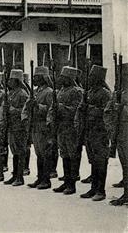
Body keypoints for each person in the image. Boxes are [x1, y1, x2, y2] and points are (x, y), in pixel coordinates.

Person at [76, 65, 111, 201]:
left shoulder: (105, 93)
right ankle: (94, 187)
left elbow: (106, 112)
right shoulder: (89, 92)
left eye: (91, 76)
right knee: (93, 160)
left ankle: (101, 191)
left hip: (100, 131)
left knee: (101, 161)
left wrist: (89, 108)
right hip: (90, 130)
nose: (89, 79)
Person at [47, 66, 83, 195]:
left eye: (63, 77)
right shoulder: (60, 91)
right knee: (64, 155)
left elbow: (77, 109)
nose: (61, 79)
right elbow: (52, 107)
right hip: (60, 126)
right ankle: (66, 181)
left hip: (71, 127)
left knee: (72, 155)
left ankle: (71, 184)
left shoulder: (77, 91)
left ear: (70, 79)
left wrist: (62, 108)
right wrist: (51, 118)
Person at [22, 66, 54, 189]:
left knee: (45, 153)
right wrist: (25, 118)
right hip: (34, 125)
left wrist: (38, 106)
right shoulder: (35, 92)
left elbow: (51, 109)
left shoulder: (49, 92)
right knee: (39, 153)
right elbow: (26, 107)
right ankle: (40, 177)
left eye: (36, 77)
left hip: (43, 125)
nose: (34, 79)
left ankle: (46, 179)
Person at [0, 69, 29, 186]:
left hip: (19, 127)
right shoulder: (11, 93)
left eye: (11, 80)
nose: (9, 82)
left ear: (17, 81)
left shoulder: (22, 94)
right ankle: (15, 174)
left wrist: (14, 110)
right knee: (14, 152)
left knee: (20, 151)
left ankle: (20, 177)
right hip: (11, 126)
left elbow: (26, 110)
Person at [105, 62, 128, 206]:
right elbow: (107, 111)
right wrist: (110, 126)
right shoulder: (118, 94)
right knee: (125, 164)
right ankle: (126, 193)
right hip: (120, 133)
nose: (122, 78)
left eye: (125, 75)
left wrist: (123, 109)